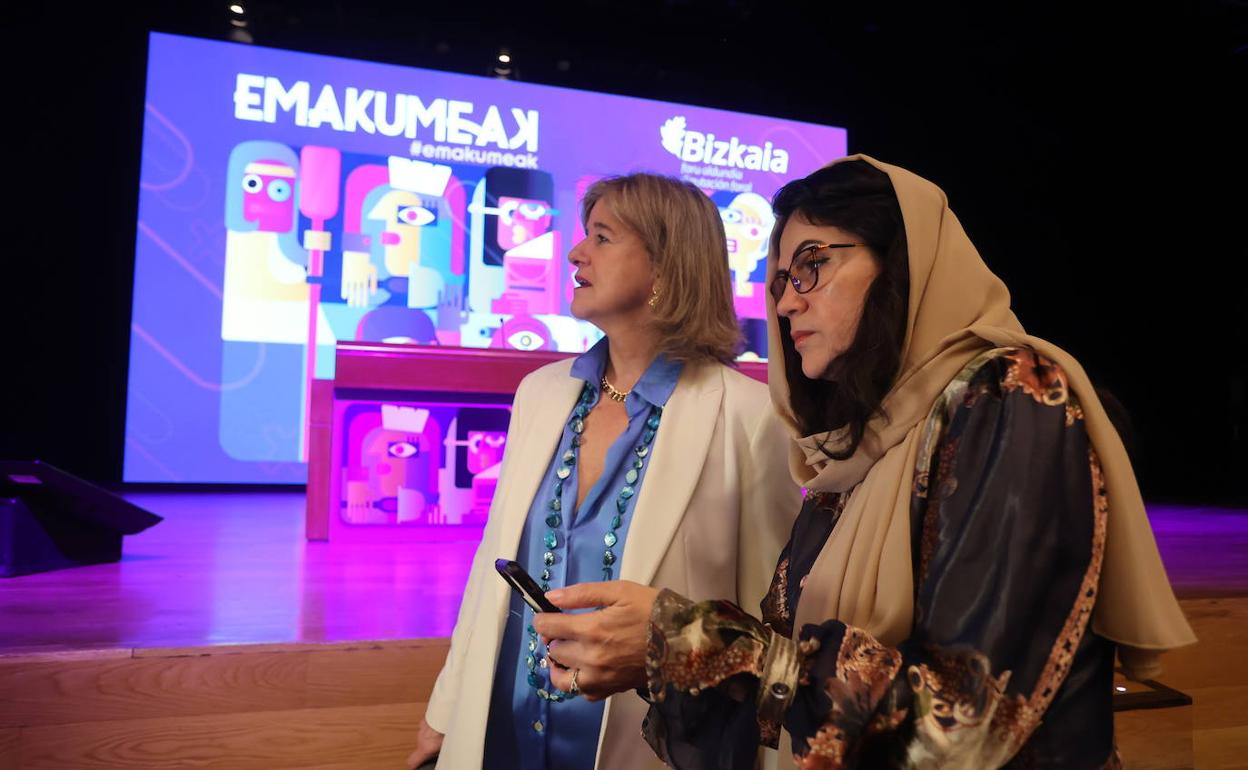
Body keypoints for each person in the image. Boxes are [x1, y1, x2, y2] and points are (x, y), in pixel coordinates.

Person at [532, 156, 1195, 769]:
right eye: (784, 277)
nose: (787, 300)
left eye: (813, 264)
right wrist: (666, 652)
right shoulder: (860, 447)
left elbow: (958, 719)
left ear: (901, 266)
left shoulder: (1010, 395)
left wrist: (688, 641)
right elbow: (788, 676)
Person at [406, 172, 801, 769]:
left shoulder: (748, 415)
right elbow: (490, 574)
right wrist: (444, 714)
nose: (574, 251)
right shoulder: (539, 394)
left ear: (666, 268)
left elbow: (768, 620)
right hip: (505, 736)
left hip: (650, 749)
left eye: (603, 236)